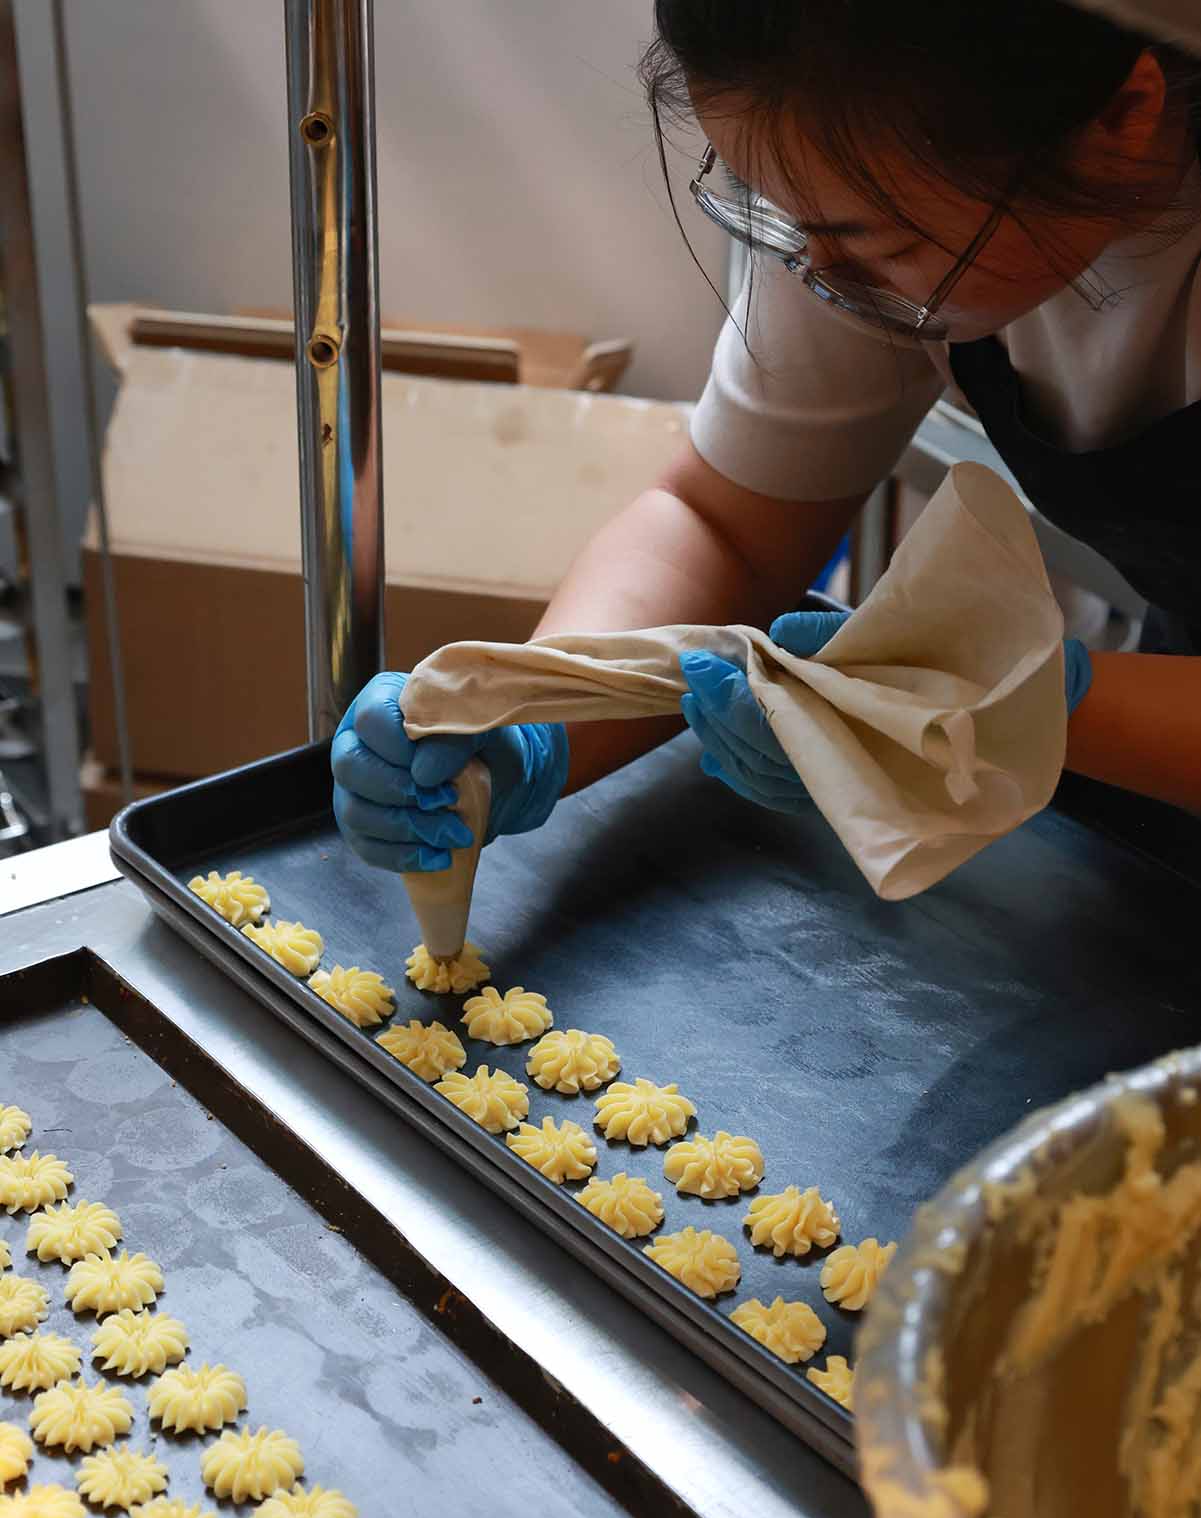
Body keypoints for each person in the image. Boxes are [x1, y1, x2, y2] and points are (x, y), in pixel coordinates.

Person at [332, 0, 1201, 879]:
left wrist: (1013, 710)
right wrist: (544, 707)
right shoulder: (878, 200)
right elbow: (726, 524)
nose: (818, 272)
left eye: (878, 241)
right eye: (787, 216)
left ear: (1123, 121)